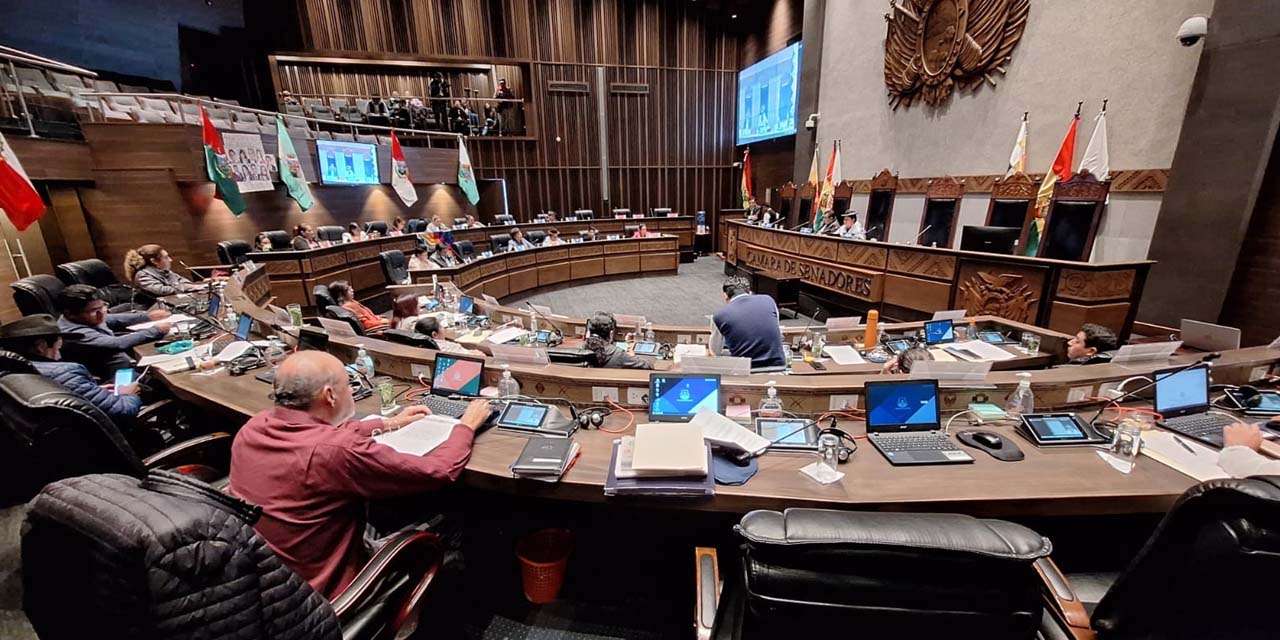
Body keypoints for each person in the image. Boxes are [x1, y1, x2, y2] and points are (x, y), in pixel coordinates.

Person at [228, 351, 489, 599]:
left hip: (268, 578)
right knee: (453, 514)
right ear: (330, 395)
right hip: (323, 595)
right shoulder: (336, 451)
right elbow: (439, 471)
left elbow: (321, 438)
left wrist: (387, 423)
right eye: (349, 383)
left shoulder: (254, 426)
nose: (352, 389)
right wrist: (466, 426)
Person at [0, 314, 142, 423]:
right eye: (58, 347)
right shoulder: (64, 372)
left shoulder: (11, 372)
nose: (60, 354)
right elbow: (122, 411)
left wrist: (92, 391)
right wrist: (127, 394)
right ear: (41, 346)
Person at [57, 285, 172, 379]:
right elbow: (117, 343)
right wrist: (156, 330)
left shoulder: (85, 317)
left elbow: (114, 319)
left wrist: (147, 316)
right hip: (119, 379)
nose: (102, 313)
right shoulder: (71, 332)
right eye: (94, 310)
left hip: (129, 365)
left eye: (103, 306)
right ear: (70, 313)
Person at [709, 276, 787, 369]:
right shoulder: (769, 301)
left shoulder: (719, 316)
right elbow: (776, 330)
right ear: (749, 292)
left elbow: (715, 352)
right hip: (778, 368)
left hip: (746, 371)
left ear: (725, 295)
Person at [124, 244, 202, 297]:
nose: (170, 260)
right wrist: (186, 287)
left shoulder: (162, 270)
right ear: (154, 261)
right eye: (166, 257)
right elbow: (163, 290)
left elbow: (180, 279)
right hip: (152, 311)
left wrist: (191, 286)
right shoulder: (142, 275)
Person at [583, 312, 654, 370]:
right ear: (611, 334)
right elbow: (648, 366)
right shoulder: (618, 354)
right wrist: (633, 357)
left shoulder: (581, 348)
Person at [412, 316, 479, 355]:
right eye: (441, 327)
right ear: (434, 335)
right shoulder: (450, 348)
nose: (444, 328)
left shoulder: (422, 345)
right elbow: (475, 357)